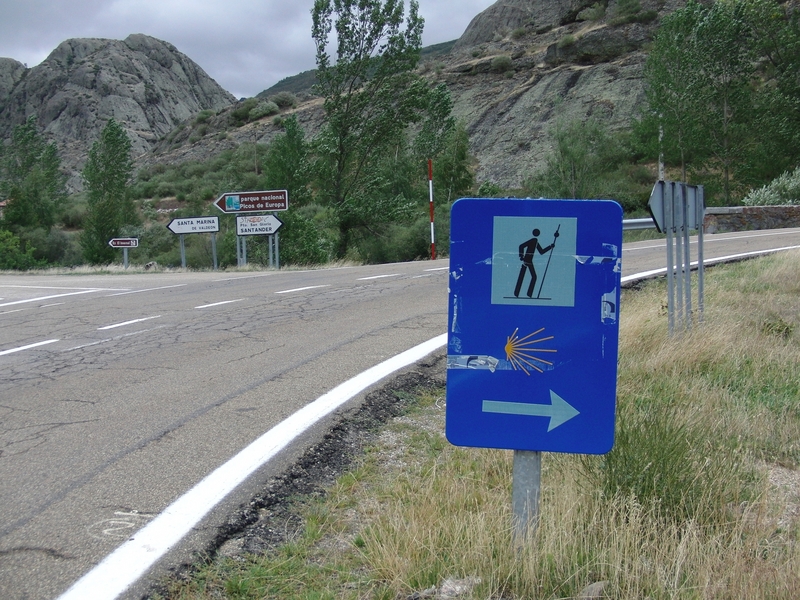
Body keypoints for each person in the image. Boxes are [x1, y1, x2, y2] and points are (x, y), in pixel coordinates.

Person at [514, 228, 558, 298]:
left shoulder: (536, 241)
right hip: (526, 260)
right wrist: (521, 256)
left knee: (529, 276)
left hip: (529, 261)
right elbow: (521, 246)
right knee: (527, 276)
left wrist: (550, 246)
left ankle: (526, 294)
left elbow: (541, 251)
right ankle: (519, 293)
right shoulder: (533, 240)